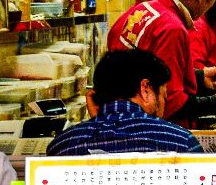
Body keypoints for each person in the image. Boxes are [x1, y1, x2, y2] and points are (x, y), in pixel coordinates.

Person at [108, 0, 216, 125]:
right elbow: (170, 102)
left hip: (117, 119)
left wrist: (199, 76)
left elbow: (146, 72)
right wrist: (214, 103)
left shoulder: (141, 10)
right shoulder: (173, 29)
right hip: (149, 130)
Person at [48, 50, 202, 156]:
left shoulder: (61, 146)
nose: (163, 105)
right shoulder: (182, 143)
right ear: (145, 89)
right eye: (163, 96)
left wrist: (98, 120)